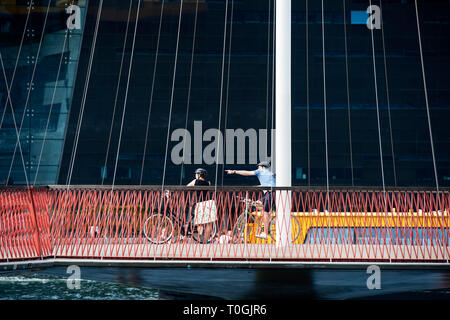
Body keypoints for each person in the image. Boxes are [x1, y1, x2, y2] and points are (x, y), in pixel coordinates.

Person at [225, 161, 275, 239]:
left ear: (262, 167)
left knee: (265, 211)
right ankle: (270, 219)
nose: (257, 168)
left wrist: (234, 171)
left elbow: (247, 173)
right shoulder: (269, 173)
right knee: (258, 203)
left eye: (258, 167)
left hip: (271, 193)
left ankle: (265, 232)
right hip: (272, 193)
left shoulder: (261, 171)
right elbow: (265, 184)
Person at [187, 168, 216, 243]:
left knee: (200, 223)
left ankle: (200, 239)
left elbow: (187, 187)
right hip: (208, 203)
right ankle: (205, 241)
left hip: (199, 204)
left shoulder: (195, 181)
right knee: (209, 223)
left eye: (196, 174)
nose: (195, 175)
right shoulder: (208, 183)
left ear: (199, 175)